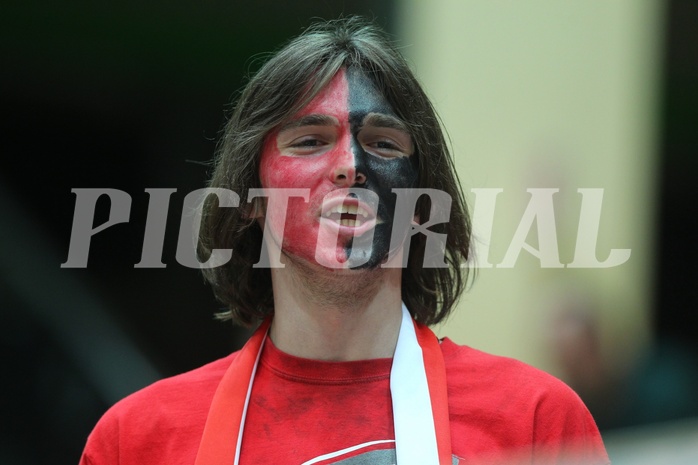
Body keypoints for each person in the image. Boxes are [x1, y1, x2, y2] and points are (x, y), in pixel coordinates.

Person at [79, 17, 610, 465]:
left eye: (382, 144)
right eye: (310, 141)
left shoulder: (537, 425)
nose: (350, 167)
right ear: (250, 200)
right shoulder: (137, 440)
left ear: (422, 203)